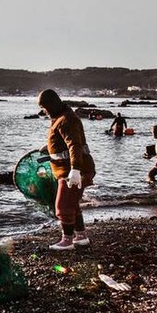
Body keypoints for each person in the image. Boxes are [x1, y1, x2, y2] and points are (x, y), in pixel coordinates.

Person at [38, 89, 96, 251]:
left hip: (74, 170)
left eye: (45, 107)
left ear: (52, 104)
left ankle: (67, 241)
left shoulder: (66, 120)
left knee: (63, 206)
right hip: (70, 169)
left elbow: (74, 145)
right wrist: (49, 148)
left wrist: (75, 169)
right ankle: (81, 236)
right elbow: (63, 142)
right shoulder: (61, 118)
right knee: (72, 204)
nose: (45, 111)